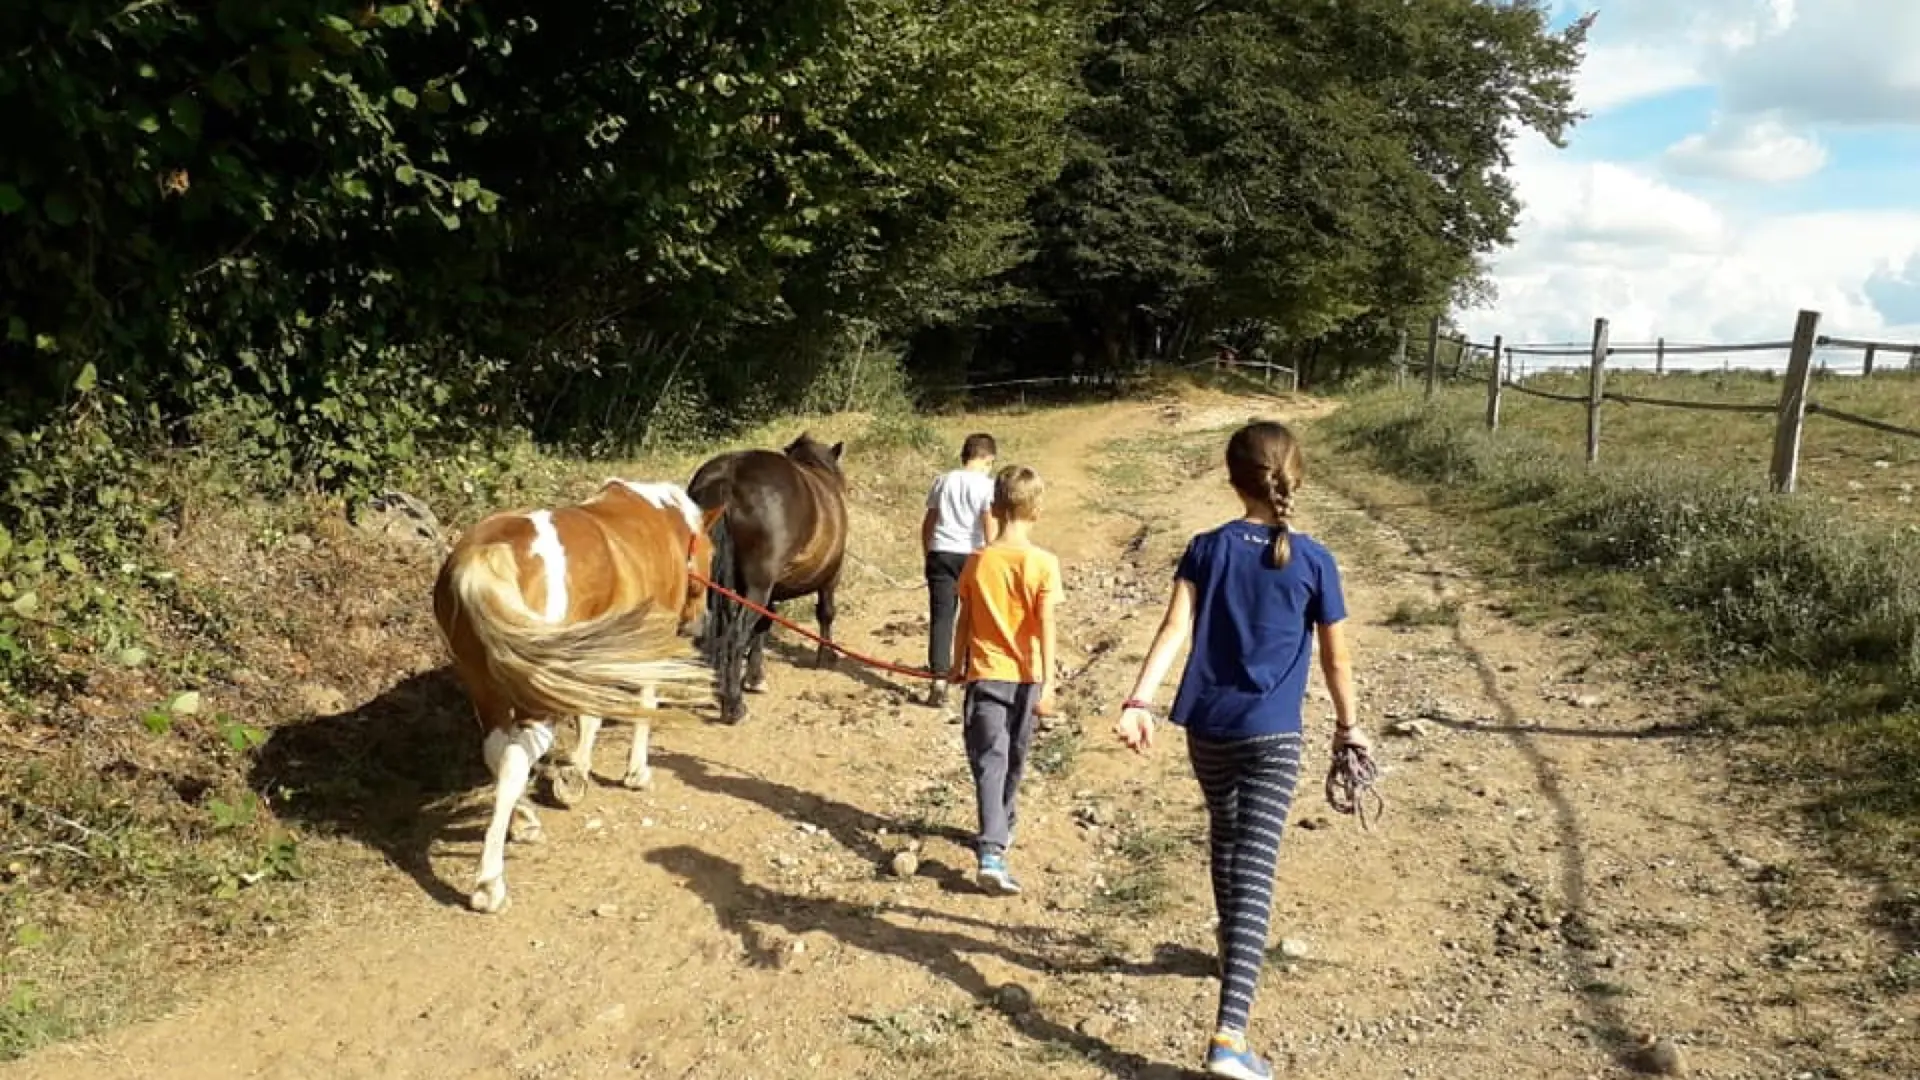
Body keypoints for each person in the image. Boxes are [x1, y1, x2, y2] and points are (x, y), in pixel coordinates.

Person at [1112, 420, 1367, 1080]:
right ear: (1295, 478)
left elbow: (1174, 628)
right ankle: (1230, 1037)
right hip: (1274, 733)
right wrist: (1350, 727)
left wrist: (1139, 701)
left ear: (1232, 479)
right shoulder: (1314, 560)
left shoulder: (1207, 548)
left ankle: (1232, 949)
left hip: (1210, 728)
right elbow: (1337, 661)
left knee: (1228, 844)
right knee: (1255, 865)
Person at [950, 464, 1059, 894]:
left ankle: (1001, 826)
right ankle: (992, 848)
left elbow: (964, 619)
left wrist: (956, 663)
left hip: (986, 675)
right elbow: (1046, 625)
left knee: (992, 760)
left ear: (994, 507)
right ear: (1037, 510)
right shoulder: (1044, 563)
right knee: (1011, 756)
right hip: (1028, 677)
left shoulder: (978, 561)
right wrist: (1049, 683)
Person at [921, 432, 999, 708]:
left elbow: (929, 522)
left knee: (942, 616)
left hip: (941, 551)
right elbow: (989, 523)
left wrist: (928, 553)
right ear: (988, 458)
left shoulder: (942, 481)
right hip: (973, 555)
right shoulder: (987, 486)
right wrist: (994, 555)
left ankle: (938, 677)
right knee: (974, 616)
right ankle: (968, 671)